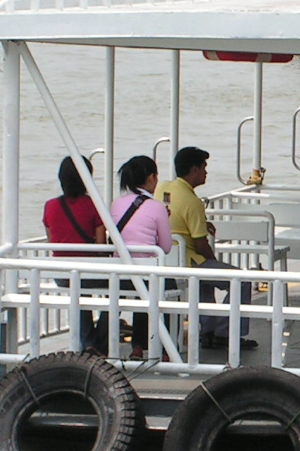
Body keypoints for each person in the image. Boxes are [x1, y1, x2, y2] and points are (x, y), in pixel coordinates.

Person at [157, 146, 256, 351]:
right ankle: (225, 333)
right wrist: (213, 262)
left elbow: (175, 215)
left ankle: (208, 332)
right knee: (242, 280)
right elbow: (201, 245)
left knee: (205, 282)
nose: (206, 172)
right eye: (204, 167)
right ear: (194, 170)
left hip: (166, 259)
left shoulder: (163, 188)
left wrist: (203, 221)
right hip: (189, 261)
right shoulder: (193, 202)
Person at [42, 155, 108, 352]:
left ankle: (88, 342)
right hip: (89, 271)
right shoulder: (93, 204)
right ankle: (100, 341)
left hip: (62, 273)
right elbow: (101, 246)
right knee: (119, 290)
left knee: (78, 294)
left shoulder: (50, 206)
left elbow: (52, 242)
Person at [109, 154, 172, 357]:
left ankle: (137, 346)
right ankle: (163, 347)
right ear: (152, 178)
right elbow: (166, 246)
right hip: (146, 272)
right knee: (164, 288)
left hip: (120, 272)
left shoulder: (116, 204)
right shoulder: (157, 207)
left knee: (140, 289)